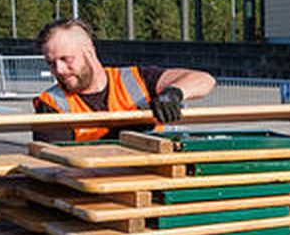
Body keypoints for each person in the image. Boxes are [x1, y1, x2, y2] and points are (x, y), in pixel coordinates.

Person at [32, 18, 216, 142]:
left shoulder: (136, 79)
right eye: (51, 63)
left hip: (156, 179)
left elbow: (204, 80)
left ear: (89, 51)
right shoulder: (51, 104)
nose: (59, 70)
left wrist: (173, 93)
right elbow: (58, 163)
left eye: (66, 59)